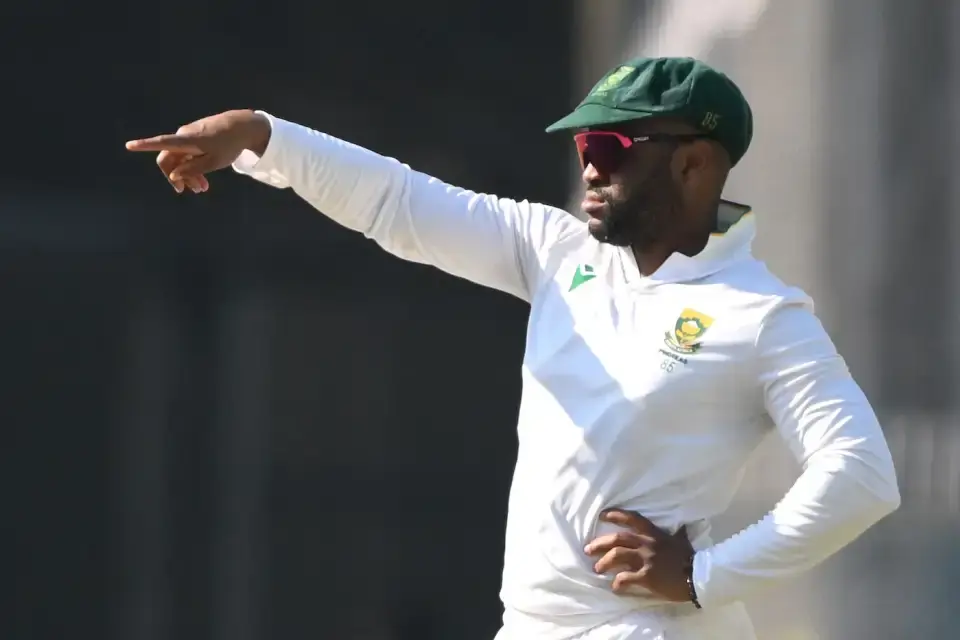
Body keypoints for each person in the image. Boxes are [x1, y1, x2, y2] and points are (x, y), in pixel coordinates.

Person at [126, 56, 901, 640]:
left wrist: (705, 576)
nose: (589, 164)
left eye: (611, 145)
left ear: (693, 164)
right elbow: (399, 203)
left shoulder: (761, 315)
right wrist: (265, 136)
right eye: (583, 144)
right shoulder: (559, 251)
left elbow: (861, 474)